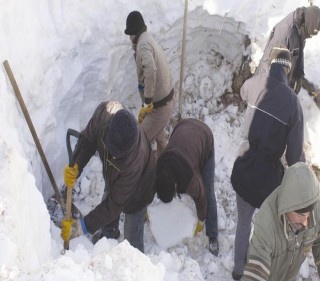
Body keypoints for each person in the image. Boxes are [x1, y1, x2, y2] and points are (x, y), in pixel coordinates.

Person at [231, 47, 306, 280]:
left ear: (271, 65)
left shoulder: (255, 85)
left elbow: (242, 91)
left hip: (245, 165)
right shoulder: (292, 103)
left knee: (243, 222)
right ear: (287, 69)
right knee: (269, 227)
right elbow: (294, 156)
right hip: (269, 179)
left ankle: (237, 270)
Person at [60, 101, 156, 253]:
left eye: (116, 155)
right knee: (108, 203)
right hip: (115, 176)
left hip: (140, 189)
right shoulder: (104, 115)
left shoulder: (134, 162)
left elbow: (113, 205)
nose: (111, 155)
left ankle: (136, 265)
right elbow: (87, 141)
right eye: (110, 149)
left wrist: (81, 227)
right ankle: (109, 237)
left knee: (132, 236)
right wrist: (76, 166)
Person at [243, 162, 320, 281]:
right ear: (286, 207)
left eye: (308, 214)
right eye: (301, 215)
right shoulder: (266, 224)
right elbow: (255, 273)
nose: (305, 222)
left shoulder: (315, 209)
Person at [154, 118, 219, 256]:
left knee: (207, 191)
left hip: (204, 137)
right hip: (183, 127)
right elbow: (150, 186)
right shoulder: (159, 167)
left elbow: (201, 198)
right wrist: (145, 211)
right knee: (194, 163)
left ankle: (213, 235)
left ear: (175, 184)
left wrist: (201, 220)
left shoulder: (190, 179)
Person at [124, 11, 175, 156]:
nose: (129, 38)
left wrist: (147, 101)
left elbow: (151, 69)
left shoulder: (143, 46)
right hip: (164, 101)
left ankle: (145, 172)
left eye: (129, 34)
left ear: (134, 32)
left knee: (139, 142)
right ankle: (164, 162)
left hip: (160, 107)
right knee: (159, 137)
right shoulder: (147, 38)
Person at [256, 5, 320, 107]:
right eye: (310, 34)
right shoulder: (284, 35)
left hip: (284, 79)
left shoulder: (301, 25)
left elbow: (298, 53)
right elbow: (267, 66)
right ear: (308, 24)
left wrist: (299, 76)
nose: (310, 37)